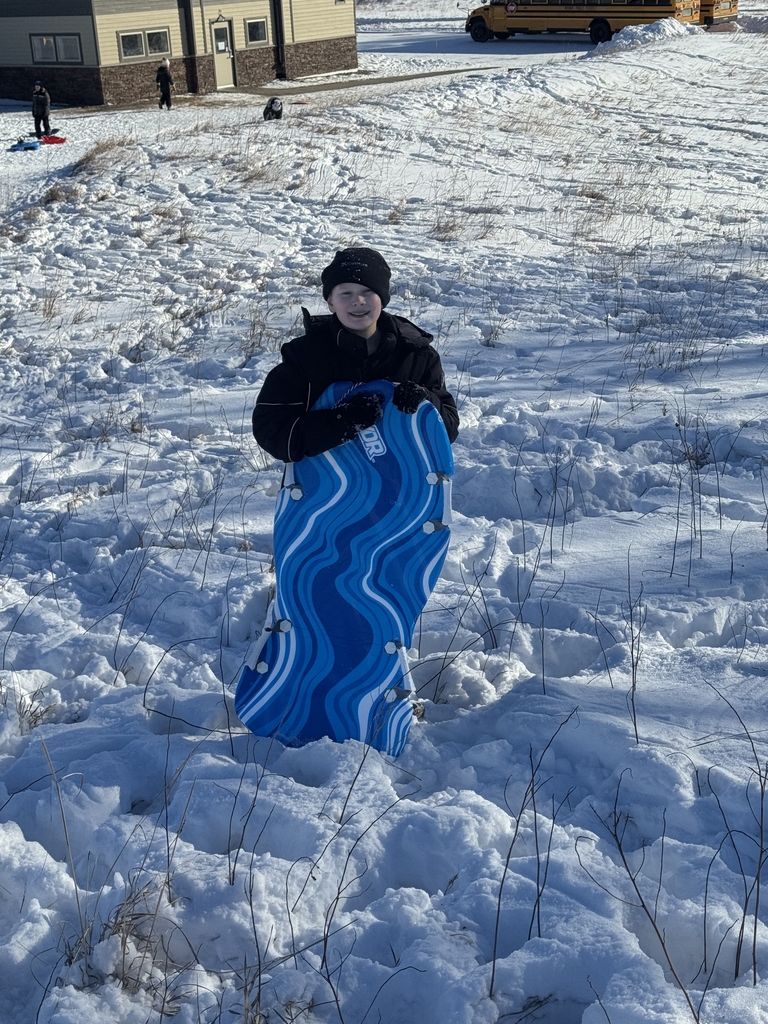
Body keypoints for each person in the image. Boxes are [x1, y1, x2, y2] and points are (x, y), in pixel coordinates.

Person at [252, 247, 459, 463]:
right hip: (328, 487)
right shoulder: (305, 357)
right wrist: (341, 422)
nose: (358, 300)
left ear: (383, 297)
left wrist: (426, 402)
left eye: (368, 291)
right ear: (331, 302)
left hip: (405, 484)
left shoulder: (417, 355)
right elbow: (272, 433)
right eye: (346, 293)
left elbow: (449, 432)